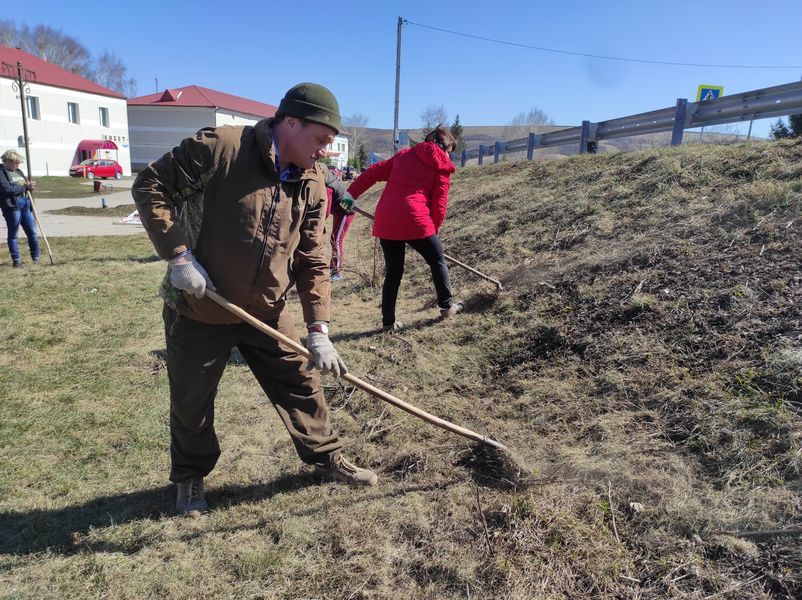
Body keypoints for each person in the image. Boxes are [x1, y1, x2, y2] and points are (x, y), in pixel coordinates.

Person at [133, 82, 378, 516]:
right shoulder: (223, 147)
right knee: (192, 400)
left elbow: (313, 257)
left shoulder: (313, 181)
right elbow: (151, 185)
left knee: (302, 383)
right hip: (201, 305)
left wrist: (319, 329)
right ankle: (190, 478)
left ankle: (325, 457)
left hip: (268, 308)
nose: (325, 151)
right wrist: (178, 255)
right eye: (321, 139)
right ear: (291, 122)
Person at [347, 127, 462, 331]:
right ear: (444, 146)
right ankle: (446, 307)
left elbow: (373, 172)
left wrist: (350, 194)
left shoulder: (404, 155)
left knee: (393, 272)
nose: (448, 156)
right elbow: (439, 204)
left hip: (386, 219)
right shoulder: (442, 166)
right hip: (415, 218)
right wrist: (432, 230)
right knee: (437, 260)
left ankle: (388, 322)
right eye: (449, 151)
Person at [0, 150, 39, 268]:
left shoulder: (18, 171)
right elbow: (7, 189)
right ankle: (16, 260)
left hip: (25, 203)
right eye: (16, 163)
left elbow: (24, 185)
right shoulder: (1, 172)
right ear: (8, 161)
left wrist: (30, 186)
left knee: (32, 232)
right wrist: (23, 187)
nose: (18, 165)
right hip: (12, 206)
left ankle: (36, 258)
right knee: (13, 234)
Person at [322, 164, 356, 282]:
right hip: (339, 211)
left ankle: (337, 271)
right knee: (334, 238)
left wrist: (318, 223)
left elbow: (325, 209)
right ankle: (333, 267)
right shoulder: (329, 181)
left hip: (346, 212)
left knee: (336, 239)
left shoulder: (328, 187)